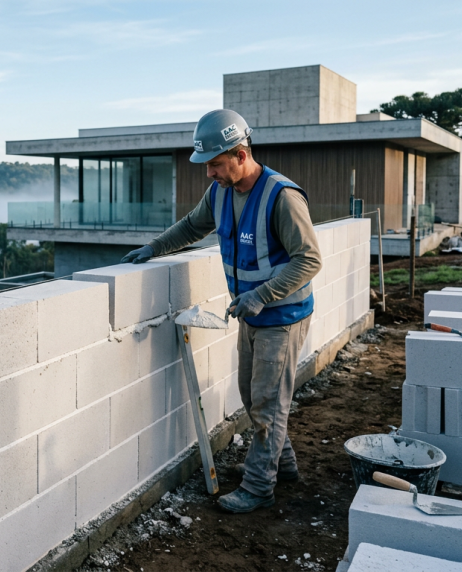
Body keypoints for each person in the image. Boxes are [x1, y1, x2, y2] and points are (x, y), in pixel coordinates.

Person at [121, 109, 322, 514]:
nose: (208, 173)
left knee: (266, 403)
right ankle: (282, 464)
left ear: (240, 154)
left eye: (214, 164)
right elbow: (193, 226)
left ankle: (258, 486)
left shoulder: (281, 196)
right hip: (251, 314)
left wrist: (262, 294)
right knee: (254, 397)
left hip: (281, 316)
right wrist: (154, 248)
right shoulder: (221, 193)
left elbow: (310, 259)